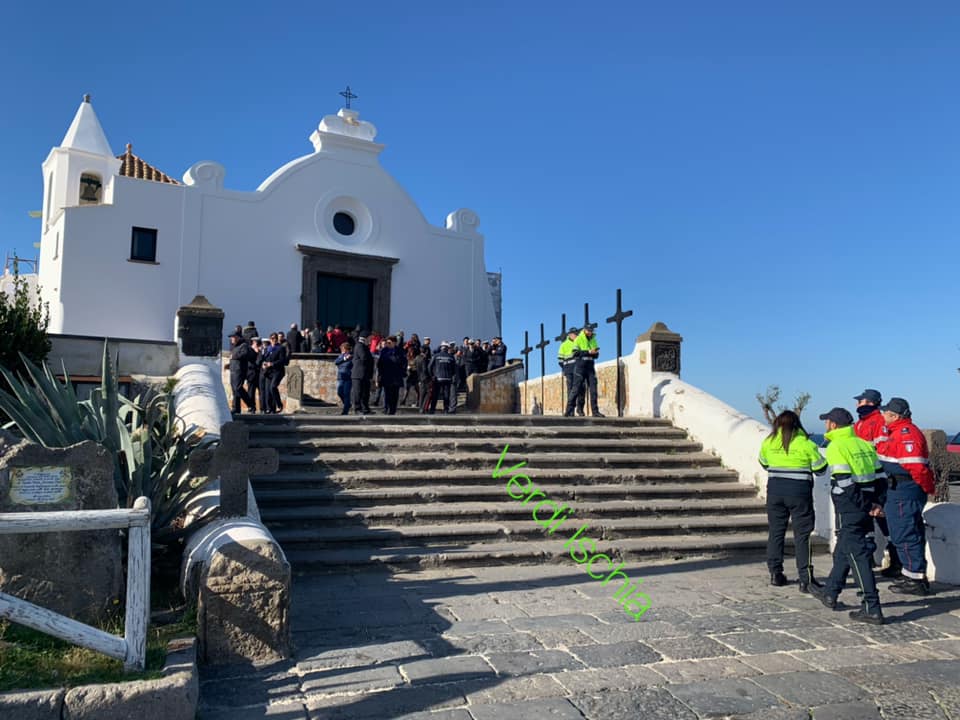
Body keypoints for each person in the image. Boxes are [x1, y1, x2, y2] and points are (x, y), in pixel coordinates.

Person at [810, 407, 887, 624]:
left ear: (833, 425)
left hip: (851, 506)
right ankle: (831, 592)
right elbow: (881, 478)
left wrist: (865, 506)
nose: (825, 425)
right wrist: (877, 503)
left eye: (827, 422)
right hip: (867, 503)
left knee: (858, 555)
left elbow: (845, 482)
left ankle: (871, 606)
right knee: (845, 546)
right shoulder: (863, 444)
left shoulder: (836, 446)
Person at [758, 410, 828, 591]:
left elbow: (764, 463)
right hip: (799, 494)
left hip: (775, 492)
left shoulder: (769, 442)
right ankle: (805, 578)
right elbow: (820, 468)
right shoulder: (806, 444)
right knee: (802, 536)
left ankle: (775, 573)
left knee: (776, 532)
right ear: (797, 424)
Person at [876, 397, 936, 595]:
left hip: (904, 489)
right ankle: (912, 574)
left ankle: (915, 579)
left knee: (905, 532)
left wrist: (926, 488)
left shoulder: (906, 434)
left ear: (894, 415)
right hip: (899, 488)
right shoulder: (895, 433)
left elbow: (917, 467)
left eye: (886, 413)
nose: (883, 415)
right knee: (907, 531)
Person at [853, 388, 901, 578]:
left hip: (878, 477)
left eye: (861, 401)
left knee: (883, 519)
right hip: (865, 478)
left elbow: (881, 450)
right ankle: (869, 559)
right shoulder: (860, 424)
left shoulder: (878, 422)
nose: (858, 405)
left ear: (870, 403)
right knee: (866, 520)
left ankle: (895, 560)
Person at [566, 326, 603, 417]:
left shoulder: (593, 339)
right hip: (580, 367)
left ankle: (595, 411)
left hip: (590, 367)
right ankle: (569, 410)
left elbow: (596, 355)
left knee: (593, 389)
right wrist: (588, 352)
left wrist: (595, 353)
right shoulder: (578, 339)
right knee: (576, 388)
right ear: (585, 330)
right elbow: (575, 353)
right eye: (589, 330)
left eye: (591, 330)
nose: (590, 332)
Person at [376, 336, 406, 415]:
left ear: (394, 343)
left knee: (395, 394)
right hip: (386, 375)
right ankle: (387, 408)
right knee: (387, 393)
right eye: (387, 343)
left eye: (389, 343)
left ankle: (392, 410)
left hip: (396, 376)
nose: (387, 344)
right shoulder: (384, 351)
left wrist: (402, 372)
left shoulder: (399, 351)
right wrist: (379, 375)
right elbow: (380, 364)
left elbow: (404, 363)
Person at [558, 328, 584, 417]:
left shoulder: (580, 342)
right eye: (574, 334)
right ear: (570, 335)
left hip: (579, 370)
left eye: (576, 334)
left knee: (581, 389)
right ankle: (571, 410)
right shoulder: (564, 345)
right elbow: (560, 360)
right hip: (569, 370)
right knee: (570, 390)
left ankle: (580, 409)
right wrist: (566, 369)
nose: (576, 335)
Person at [228, 332, 255, 414]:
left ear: (238, 337)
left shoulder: (243, 345)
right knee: (234, 390)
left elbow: (244, 354)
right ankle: (236, 408)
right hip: (233, 370)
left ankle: (251, 404)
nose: (231, 339)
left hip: (240, 370)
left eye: (233, 337)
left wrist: (234, 356)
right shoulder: (234, 346)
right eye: (231, 337)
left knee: (238, 388)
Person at [428, 342, 457, 414]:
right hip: (447, 378)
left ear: (441, 347)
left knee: (435, 394)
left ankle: (432, 410)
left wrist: (432, 375)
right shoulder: (451, 357)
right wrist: (451, 375)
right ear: (447, 348)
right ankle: (446, 410)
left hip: (437, 378)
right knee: (446, 395)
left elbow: (429, 367)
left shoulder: (436, 356)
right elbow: (454, 369)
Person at [350, 335, 374, 414]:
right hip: (358, 374)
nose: (371, 340)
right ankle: (357, 409)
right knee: (358, 392)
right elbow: (364, 357)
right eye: (370, 338)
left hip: (365, 374)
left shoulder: (365, 346)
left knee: (365, 393)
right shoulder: (360, 346)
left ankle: (365, 408)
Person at [333, 342, 353, 415]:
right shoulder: (341, 356)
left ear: (347, 350)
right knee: (339, 392)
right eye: (342, 349)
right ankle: (347, 404)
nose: (342, 351)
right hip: (340, 377)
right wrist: (344, 358)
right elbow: (336, 362)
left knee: (346, 394)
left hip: (348, 378)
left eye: (343, 349)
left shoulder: (351, 357)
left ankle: (345, 411)